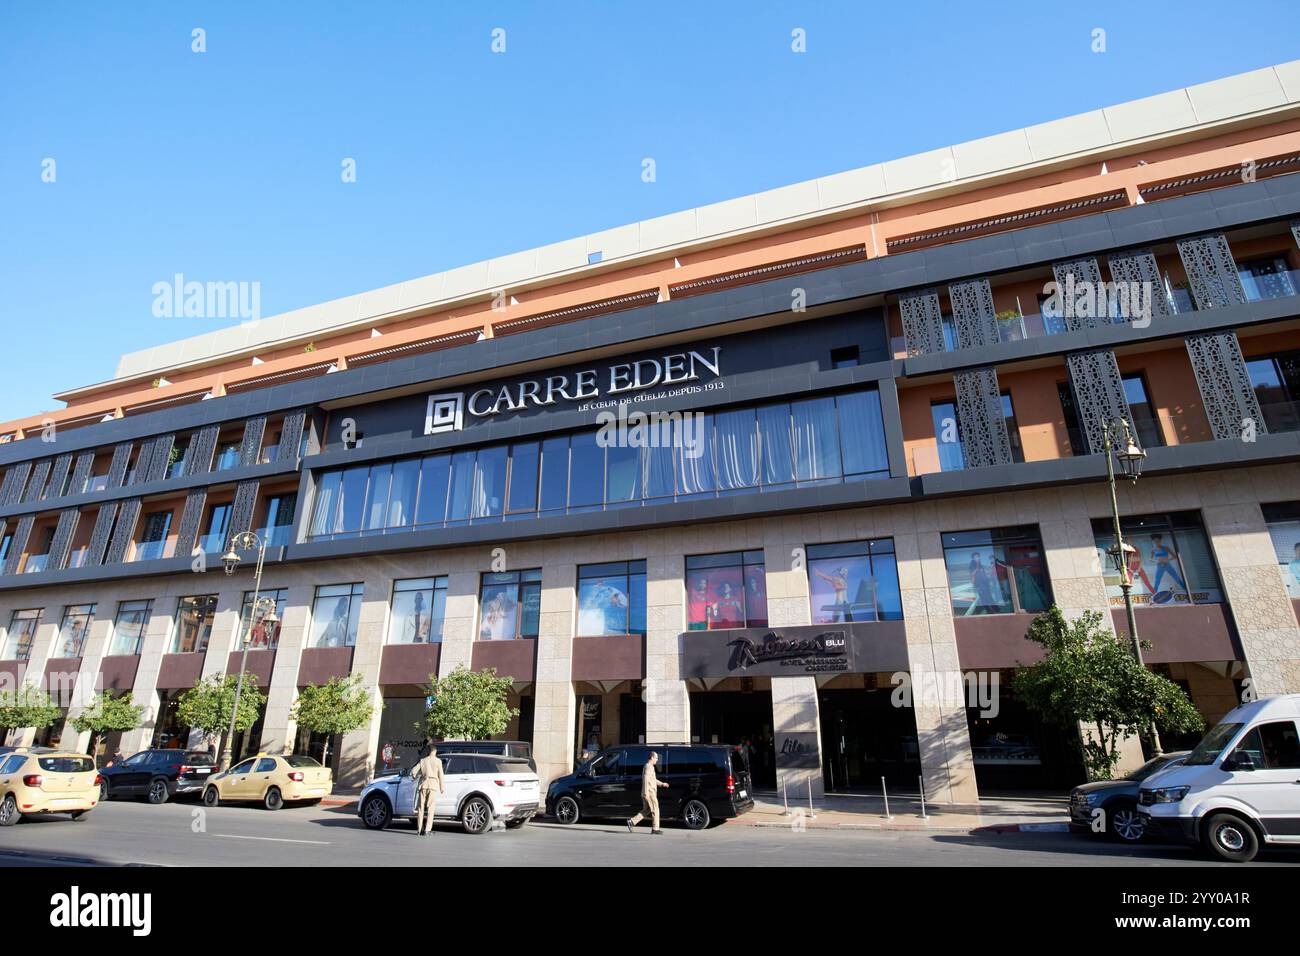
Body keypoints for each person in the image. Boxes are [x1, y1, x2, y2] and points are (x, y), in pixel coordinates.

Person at [626, 750, 668, 834]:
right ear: (652, 757)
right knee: (655, 809)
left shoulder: (649, 766)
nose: (657, 760)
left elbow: (652, 779)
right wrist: (646, 793)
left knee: (646, 810)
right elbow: (645, 779)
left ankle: (632, 821)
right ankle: (655, 828)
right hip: (649, 792)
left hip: (648, 792)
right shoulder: (648, 766)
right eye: (656, 758)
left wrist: (662, 784)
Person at [410, 744, 444, 836]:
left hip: (423, 785)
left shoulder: (423, 760)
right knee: (430, 808)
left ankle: (419, 829)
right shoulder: (438, 761)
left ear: (428, 751)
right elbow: (441, 775)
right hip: (432, 785)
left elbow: (413, 771)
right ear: (435, 751)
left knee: (421, 808)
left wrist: (415, 776)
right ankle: (427, 830)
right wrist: (442, 787)